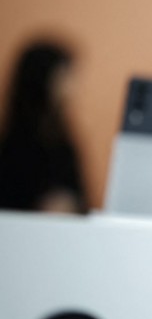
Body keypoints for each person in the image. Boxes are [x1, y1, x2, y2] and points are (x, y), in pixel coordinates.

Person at [0, 40, 88, 214]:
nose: (70, 87)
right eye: (63, 76)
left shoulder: (62, 142)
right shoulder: (13, 146)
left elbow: (80, 199)